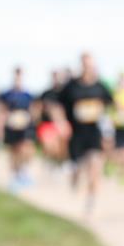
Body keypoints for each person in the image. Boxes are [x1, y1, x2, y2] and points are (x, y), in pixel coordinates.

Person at [50, 53, 113, 215]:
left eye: (91, 65)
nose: (88, 68)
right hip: (76, 134)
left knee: (95, 165)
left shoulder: (100, 86)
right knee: (78, 167)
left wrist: (108, 131)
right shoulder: (71, 86)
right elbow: (56, 105)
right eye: (85, 65)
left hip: (94, 132)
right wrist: (61, 122)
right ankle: (75, 179)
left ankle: (91, 201)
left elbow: (110, 106)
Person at [0, 67, 36, 190]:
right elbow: (1, 110)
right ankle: (15, 176)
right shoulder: (7, 94)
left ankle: (23, 171)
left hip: (24, 127)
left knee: (26, 149)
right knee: (13, 152)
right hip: (11, 127)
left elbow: (33, 110)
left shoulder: (28, 95)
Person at [36, 70, 69, 168]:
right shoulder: (46, 93)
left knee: (63, 142)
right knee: (50, 145)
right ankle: (50, 161)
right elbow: (38, 107)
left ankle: (60, 162)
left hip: (61, 124)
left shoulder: (65, 93)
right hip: (47, 124)